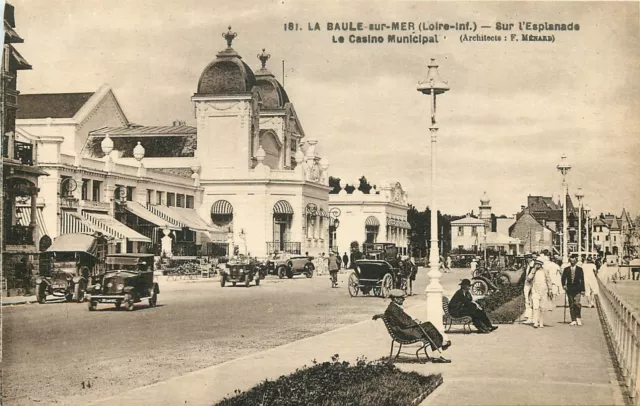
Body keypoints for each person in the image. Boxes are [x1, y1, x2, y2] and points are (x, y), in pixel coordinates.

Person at [373, 289, 451, 363]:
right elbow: (404, 322)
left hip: (404, 330)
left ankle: (439, 351)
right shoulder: (393, 309)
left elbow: (405, 320)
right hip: (403, 333)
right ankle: (439, 350)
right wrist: (415, 322)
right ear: (395, 299)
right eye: (401, 298)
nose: (403, 300)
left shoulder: (394, 307)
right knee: (429, 327)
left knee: (429, 326)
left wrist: (414, 321)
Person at [527, 258, 554, 328]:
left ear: (541, 265)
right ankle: (535, 322)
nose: (537, 265)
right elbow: (529, 279)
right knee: (535, 306)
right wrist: (533, 271)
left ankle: (541, 322)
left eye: (539, 264)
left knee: (542, 307)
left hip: (543, 290)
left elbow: (548, 280)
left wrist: (550, 289)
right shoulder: (533, 271)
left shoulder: (545, 271)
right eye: (536, 264)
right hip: (535, 290)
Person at [561, 254, 586, 326]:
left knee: (577, 303)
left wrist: (583, 290)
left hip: (577, 288)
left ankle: (578, 317)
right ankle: (573, 319)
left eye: (574, 259)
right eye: (571, 259)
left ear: (576, 260)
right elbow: (563, 278)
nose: (572, 261)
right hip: (569, 288)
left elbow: (582, 280)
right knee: (571, 304)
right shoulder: (566, 269)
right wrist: (564, 285)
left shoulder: (579, 269)